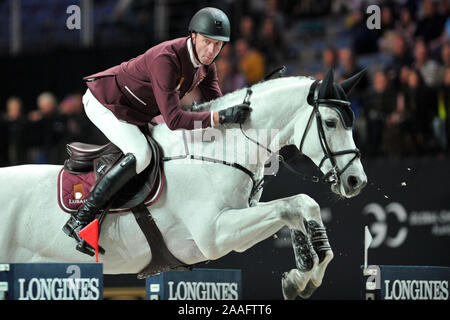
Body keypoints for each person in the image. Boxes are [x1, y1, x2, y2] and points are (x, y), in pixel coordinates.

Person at [62, 7, 251, 255]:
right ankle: (81, 219)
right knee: (141, 154)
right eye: (207, 42)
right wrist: (220, 117)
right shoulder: (167, 58)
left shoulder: (207, 66)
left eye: (218, 45)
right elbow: (174, 119)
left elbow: (218, 105)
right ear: (193, 36)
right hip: (106, 102)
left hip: (138, 110)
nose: (211, 51)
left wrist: (240, 119)